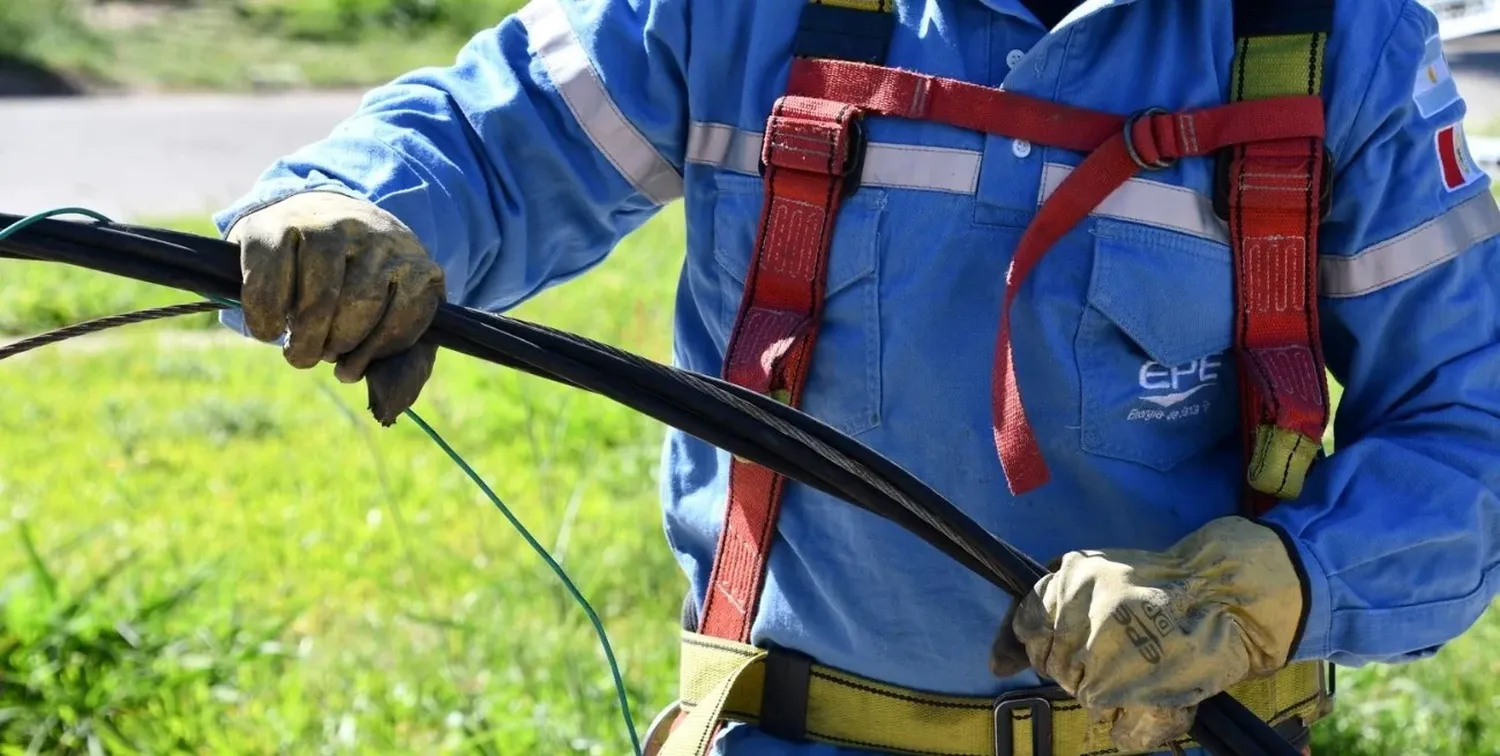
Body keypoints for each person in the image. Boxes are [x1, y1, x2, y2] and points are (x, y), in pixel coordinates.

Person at [215, 0, 1500, 754]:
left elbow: (1470, 427)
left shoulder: (1335, 46)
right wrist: (356, 208)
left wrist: (1275, 587)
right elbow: (499, 138)